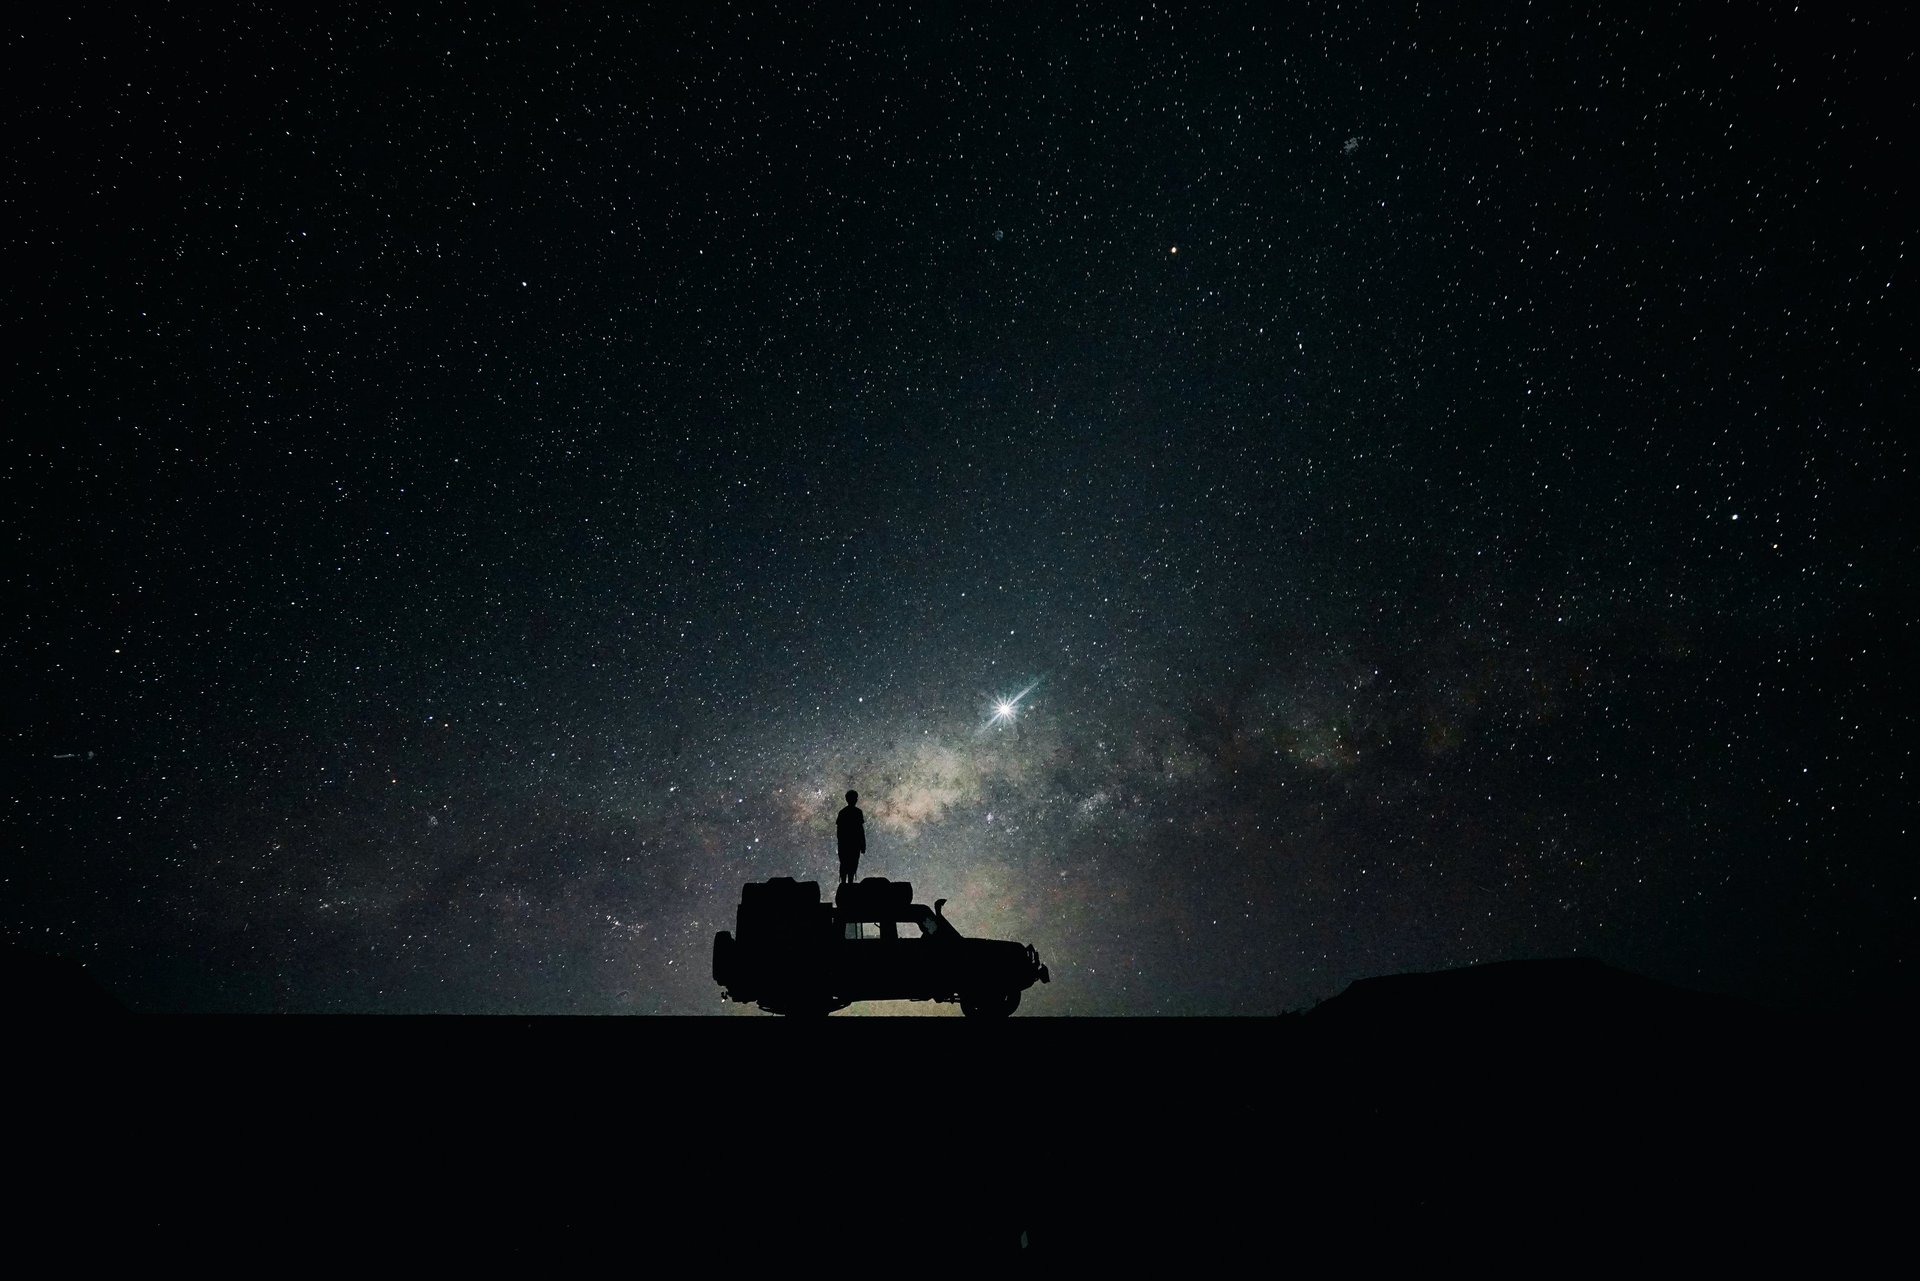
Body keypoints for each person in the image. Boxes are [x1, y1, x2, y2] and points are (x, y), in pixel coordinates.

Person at [836, 790, 866, 885]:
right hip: (854, 844)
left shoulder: (842, 812)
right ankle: (849, 883)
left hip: (845, 844)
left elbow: (839, 831)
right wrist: (863, 844)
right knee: (852, 864)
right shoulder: (857, 812)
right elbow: (860, 830)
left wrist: (841, 842)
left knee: (845, 864)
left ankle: (845, 884)